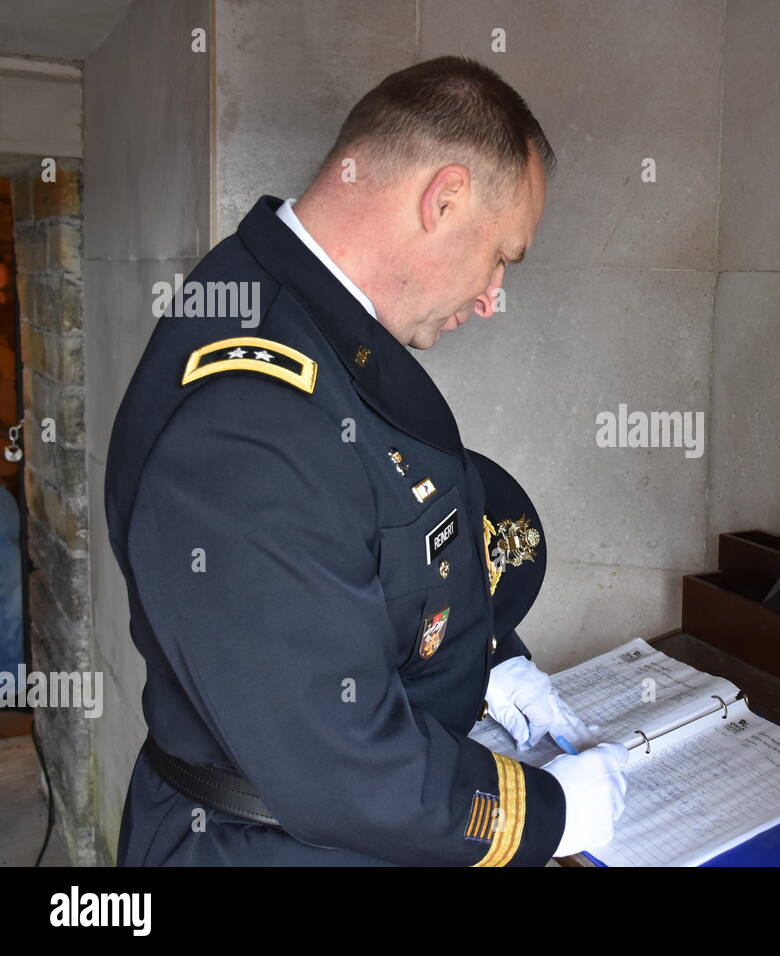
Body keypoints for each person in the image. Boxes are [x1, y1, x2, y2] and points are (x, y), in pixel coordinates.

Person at [105, 56, 628, 866]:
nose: (493, 296)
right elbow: (336, 758)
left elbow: (378, 562)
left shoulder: (310, 320)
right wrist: (548, 817)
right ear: (445, 197)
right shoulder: (252, 414)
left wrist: (491, 661)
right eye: (502, 256)